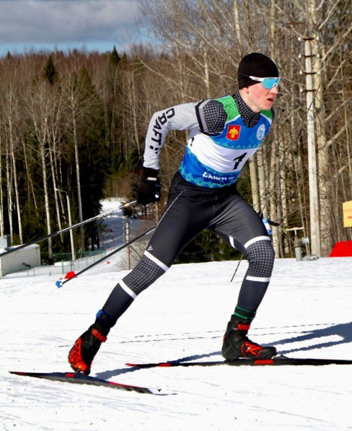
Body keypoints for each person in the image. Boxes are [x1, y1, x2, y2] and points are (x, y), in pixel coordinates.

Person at [68, 53, 281, 375]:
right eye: (269, 83)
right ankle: (92, 337)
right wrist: (149, 175)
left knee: (263, 255)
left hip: (224, 200)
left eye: (278, 84)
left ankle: (236, 339)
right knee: (150, 270)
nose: (276, 90)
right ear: (248, 85)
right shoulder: (216, 112)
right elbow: (160, 119)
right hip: (188, 200)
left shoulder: (266, 119)